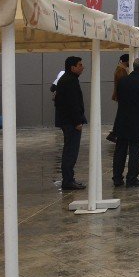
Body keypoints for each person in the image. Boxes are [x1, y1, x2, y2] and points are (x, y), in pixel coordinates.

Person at [112, 58, 139, 187]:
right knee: (135, 150)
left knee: (120, 149)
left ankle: (117, 178)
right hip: (137, 121)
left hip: (121, 120)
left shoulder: (123, 81)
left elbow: (119, 98)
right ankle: (132, 178)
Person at [54, 56, 87, 190]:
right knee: (70, 152)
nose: (82, 67)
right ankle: (68, 180)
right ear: (72, 67)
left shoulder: (69, 79)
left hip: (68, 121)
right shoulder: (69, 81)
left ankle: (69, 179)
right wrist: (77, 121)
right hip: (71, 123)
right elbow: (72, 104)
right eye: (80, 65)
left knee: (70, 151)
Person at [107, 53, 130, 143]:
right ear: (127, 61)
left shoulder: (121, 69)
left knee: (121, 114)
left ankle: (115, 133)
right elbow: (123, 84)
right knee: (121, 115)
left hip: (121, 96)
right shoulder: (121, 70)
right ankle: (114, 134)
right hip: (122, 96)